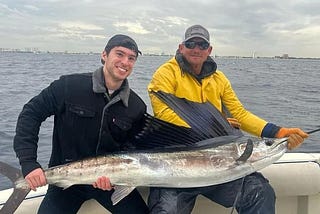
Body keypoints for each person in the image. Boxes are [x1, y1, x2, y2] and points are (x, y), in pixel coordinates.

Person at [147, 24, 309, 214]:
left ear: (209, 50)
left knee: (260, 192)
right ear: (181, 47)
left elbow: (239, 114)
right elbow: (164, 115)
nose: (196, 49)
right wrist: (213, 124)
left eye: (202, 45)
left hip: (220, 167)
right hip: (176, 166)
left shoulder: (219, 79)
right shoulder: (165, 73)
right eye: (191, 44)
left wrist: (277, 132)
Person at [13, 34, 149, 214]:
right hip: (65, 184)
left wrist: (118, 178)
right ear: (104, 55)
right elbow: (30, 115)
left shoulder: (136, 106)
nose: (125, 62)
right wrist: (29, 163)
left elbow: (132, 150)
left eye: (131, 58)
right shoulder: (69, 86)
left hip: (108, 184)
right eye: (119, 54)